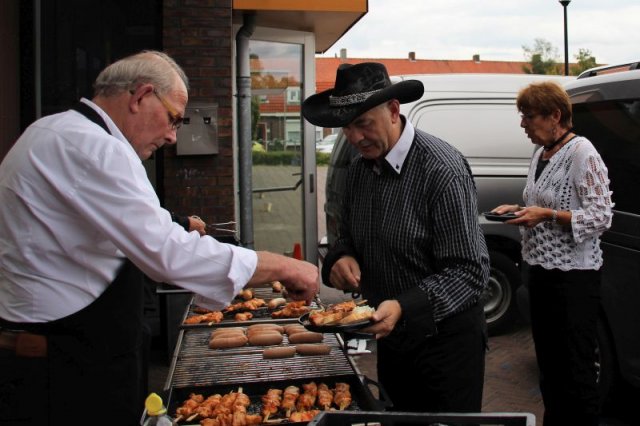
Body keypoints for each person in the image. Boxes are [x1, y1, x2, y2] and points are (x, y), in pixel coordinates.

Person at [0, 50, 318, 426]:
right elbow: (168, 254)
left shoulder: (54, 130)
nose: (171, 135)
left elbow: (123, 229)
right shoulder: (94, 147)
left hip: (65, 352)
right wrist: (285, 265)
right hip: (67, 371)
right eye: (172, 119)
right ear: (140, 97)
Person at [302, 62, 490, 413]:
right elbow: (347, 233)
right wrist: (342, 256)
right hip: (392, 338)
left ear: (392, 110)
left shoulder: (441, 168)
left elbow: (469, 272)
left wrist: (404, 306)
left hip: (445, 346)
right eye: (347, 127)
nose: (355, 138)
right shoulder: (358, 169)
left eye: (363, 123)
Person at [490, 81, 613, 426]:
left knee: (576, 370)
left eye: (528, 116)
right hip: (540, 273)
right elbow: (542, 204)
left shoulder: (582, 153)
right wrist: (518, 209)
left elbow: (602, 216)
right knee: (550, 366)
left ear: (555, 115)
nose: (523, 124)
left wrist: (546, 216)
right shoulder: (542, 152)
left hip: (574, 279)